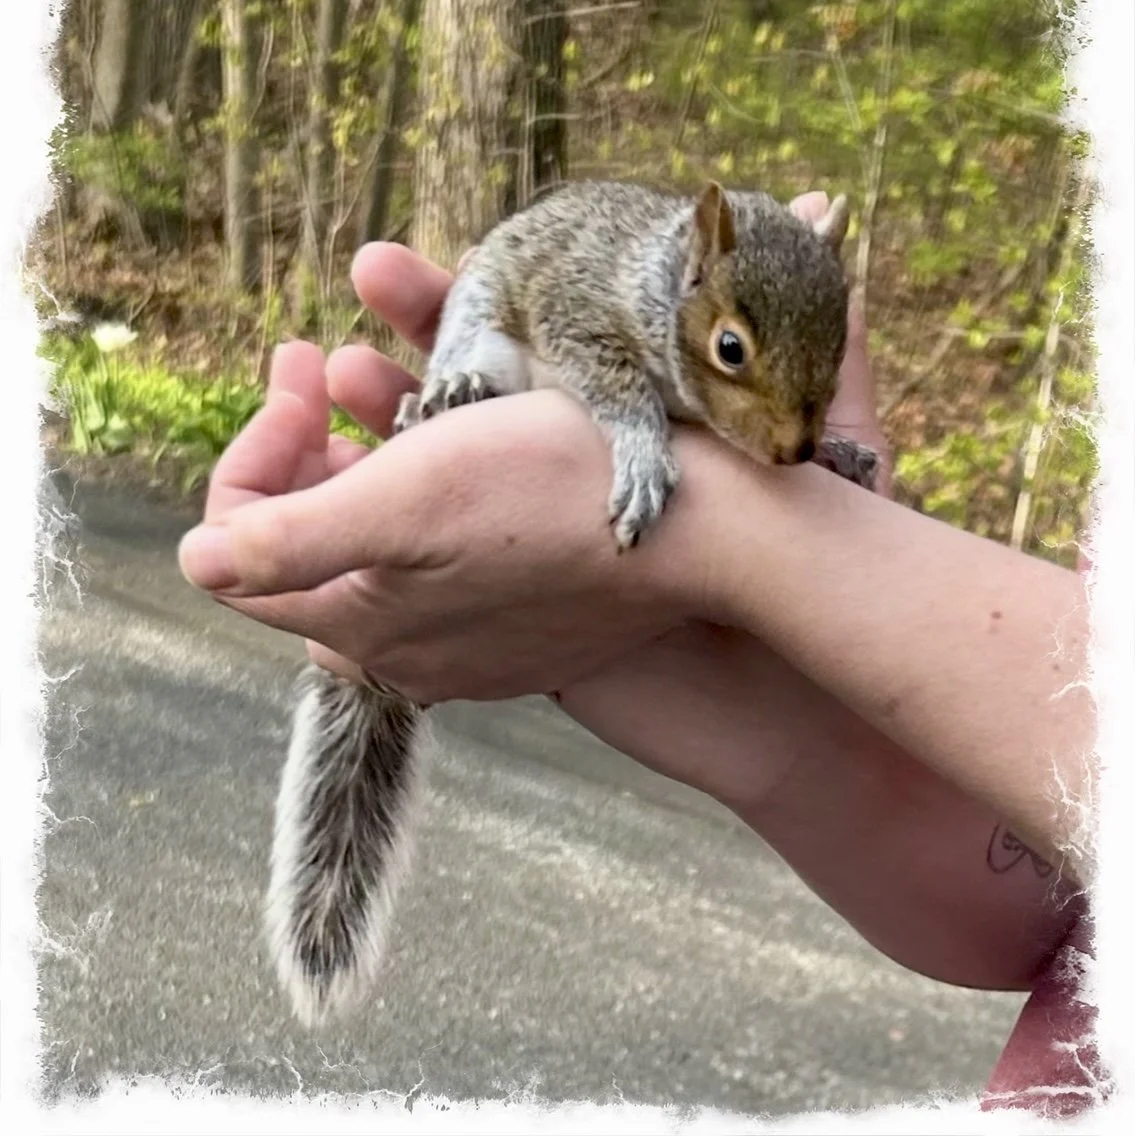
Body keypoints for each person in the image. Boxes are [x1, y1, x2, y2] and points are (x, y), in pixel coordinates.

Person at [178, 192, 1103, 1119]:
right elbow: (1044, 920)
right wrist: (775, 693)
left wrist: (767, 548)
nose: (786, 438)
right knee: (486, 328)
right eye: (735, 359)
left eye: (810, 402)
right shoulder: (623, 293)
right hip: (513, 354)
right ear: (694, 270)